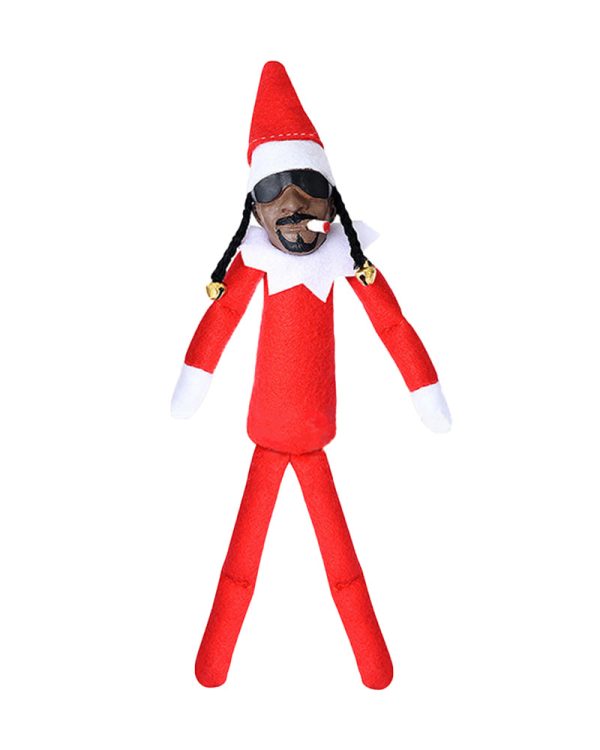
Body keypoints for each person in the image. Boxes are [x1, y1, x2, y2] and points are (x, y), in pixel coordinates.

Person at [171, 61, 451, 690]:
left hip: (315, 435)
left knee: (342, 566)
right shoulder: (252, 262)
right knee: (241, 564)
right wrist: (193, 381)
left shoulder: (347, 260)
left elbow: (394, 327)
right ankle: (214, 670)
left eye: (307, 184)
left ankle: (374, 673)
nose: (293, 203)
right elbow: (218, 323)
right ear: (254, 207)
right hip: (266, 436)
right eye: (275, 187)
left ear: (332, 198)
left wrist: (425, 393)